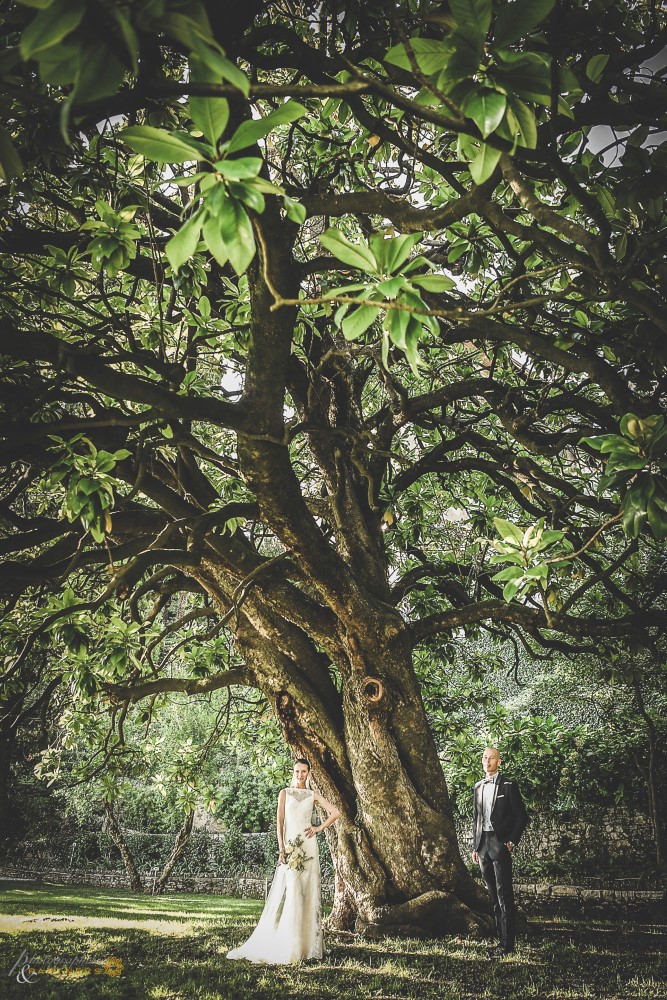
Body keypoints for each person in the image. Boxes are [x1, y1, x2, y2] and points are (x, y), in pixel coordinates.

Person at [226, 757, 341, 964]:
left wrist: (318, 828)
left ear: (309, 773)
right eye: (297, 771)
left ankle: (308, 946)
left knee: (308, 893)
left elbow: (336, 812)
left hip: (308, 848)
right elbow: (280, 823)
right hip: (290, 847)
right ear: (293, 771)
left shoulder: (312, 795)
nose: (300, 775)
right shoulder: (284, 793)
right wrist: (282, 849)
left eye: (304, 772)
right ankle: (290, 945)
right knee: (294, 891)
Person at [472, 746, 528, 958]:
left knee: (505, 895)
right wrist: (475, 846)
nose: (487, 761)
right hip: (482, 847)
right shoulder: (478, 786)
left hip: (500, 843)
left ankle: (507, 945)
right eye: (485, 758)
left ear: (499, 761)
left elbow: (521, 816)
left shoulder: (509, 786)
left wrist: (512, 841)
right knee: (493, 896)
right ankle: (500, 940)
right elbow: (477, 818)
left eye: (491, 758)